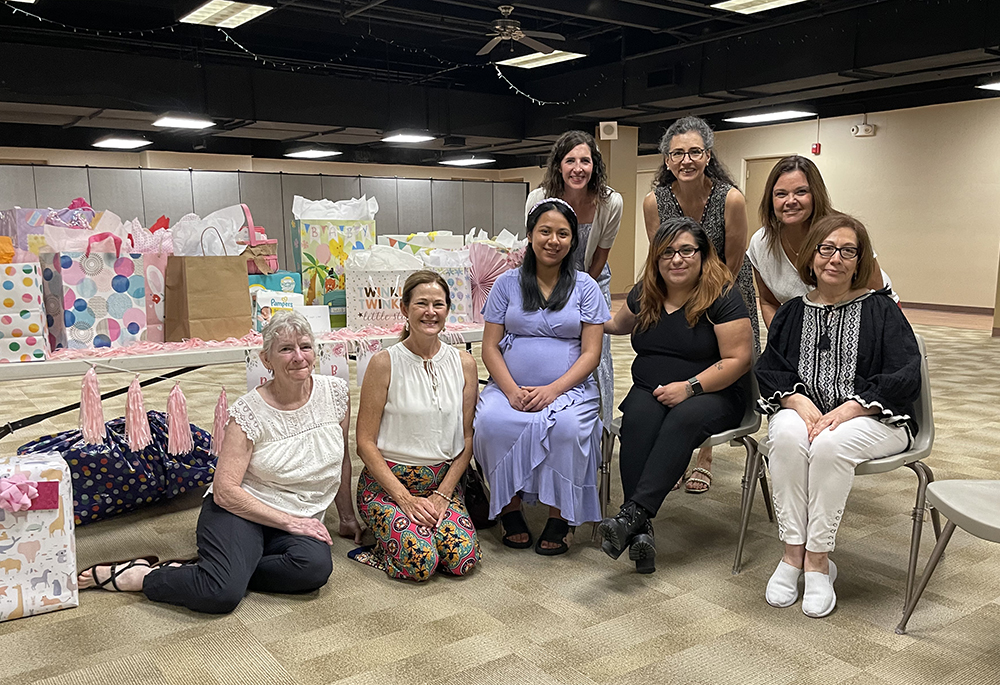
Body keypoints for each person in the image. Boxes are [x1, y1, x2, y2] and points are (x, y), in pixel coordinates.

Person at [78, 311, 359, 613]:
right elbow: (226, 491)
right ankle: (144, 576)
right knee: (221, 594)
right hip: (242, 511)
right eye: (286, 349)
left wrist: (346, 516)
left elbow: (340, 459)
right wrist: (290, 521)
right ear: (266, 359)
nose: (299, 357)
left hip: (297, 518)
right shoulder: (249, 412)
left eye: (305, 346)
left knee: (313, 570)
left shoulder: (335, 393)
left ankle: (222, 567)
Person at [754, 213, 920, 618]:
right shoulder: (793, 311)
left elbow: (904, 372)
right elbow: (770, 367)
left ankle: (818, 560)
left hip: (877, 419)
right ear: (811, 257)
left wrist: (851, 406)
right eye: (827, 249)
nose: (836, 259)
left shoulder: (882, 310)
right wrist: (795, 400)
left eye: (848, 251)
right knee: (789, 437)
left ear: (860, 259)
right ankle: (792, 553)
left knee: (829, 444)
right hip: (807, 410)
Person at [600, 217, 752, 573]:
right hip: (651, 389)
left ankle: (632, 514)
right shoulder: (645, 293)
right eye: (667, 252)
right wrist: (570, 316)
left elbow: (739, 359)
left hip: (714, 392)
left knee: (683, 418)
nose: (677, 259)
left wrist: (690, 387)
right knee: (638, 418)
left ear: (702, 255)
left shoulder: (722, 296)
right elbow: (615, 326)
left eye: (686, 250)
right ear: (656, 258)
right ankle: (640, 535)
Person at [475, 198, 610, 555]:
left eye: (563, 233)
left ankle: (560, 515)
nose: (553, 240)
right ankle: (509, 507)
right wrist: (511, 390)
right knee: (490, 422)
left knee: (567, 430)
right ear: (530, 236)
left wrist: (552, 390)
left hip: (571, 390)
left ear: (572, 240)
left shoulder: (586, 287)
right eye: (545, 231)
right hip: (509, 387)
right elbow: (490, 347)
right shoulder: (506, 284)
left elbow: (591, 354)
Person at [641, 115, 756, 495]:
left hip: (723, 295)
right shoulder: (655, 201)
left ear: (708, 155)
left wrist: (708, 301)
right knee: (677, 366)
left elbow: (734, 260)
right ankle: (674, 457)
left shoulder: (731, 198)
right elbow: (662, 257)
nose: (686, 160)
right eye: (677, 154)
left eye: (694, 152)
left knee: (713, 370)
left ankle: (703, 459)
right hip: (678, 295)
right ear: (667, 159)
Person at [354, 270, 481, 581]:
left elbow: (467, 437)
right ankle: (382, 550)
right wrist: (404, 498)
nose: (430, 312)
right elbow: (364, 442)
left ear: (448, 310)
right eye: (421, 303)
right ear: (404, 309)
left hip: (440, 484)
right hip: (387, 487)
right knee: (421, 562)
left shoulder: (464, 363)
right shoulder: (384, 363)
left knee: (461, 559)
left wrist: (444, 494)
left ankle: (414, 533)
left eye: (438, 304)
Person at [526, 130, 623, 428]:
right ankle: (548, 417)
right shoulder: (539, 198)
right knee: (551, 340)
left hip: (591, 279)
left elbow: (601, 254)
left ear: (595, 165)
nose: (578, 168)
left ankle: (599, 426)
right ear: (559, 165)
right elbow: (536, 246)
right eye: (570, 160)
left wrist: (580, 290)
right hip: (547, 277)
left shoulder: (610, 202)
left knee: (596, 352)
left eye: (585, 160)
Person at [748, 155, 892, 330]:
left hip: (863, 325)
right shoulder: (760, 243)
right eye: (781, 194)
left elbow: (878, 298)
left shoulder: (844, 234)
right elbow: (768, 302)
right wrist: (782, 341)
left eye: (801, 192)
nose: (790, 201)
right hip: (805, 330)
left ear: (815, 194)